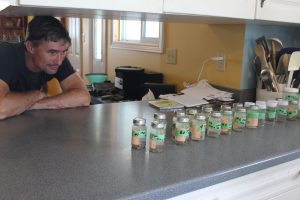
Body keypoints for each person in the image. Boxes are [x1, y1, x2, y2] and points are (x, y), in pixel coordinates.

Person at [0, 16, 91, 120]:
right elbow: (1, 109)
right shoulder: (5, 54)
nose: (59, 61)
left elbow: (83, 97)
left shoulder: (57, 58)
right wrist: (37, 95)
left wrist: (33, 104)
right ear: (30, 47)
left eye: (64, 52)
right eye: (52, 52)